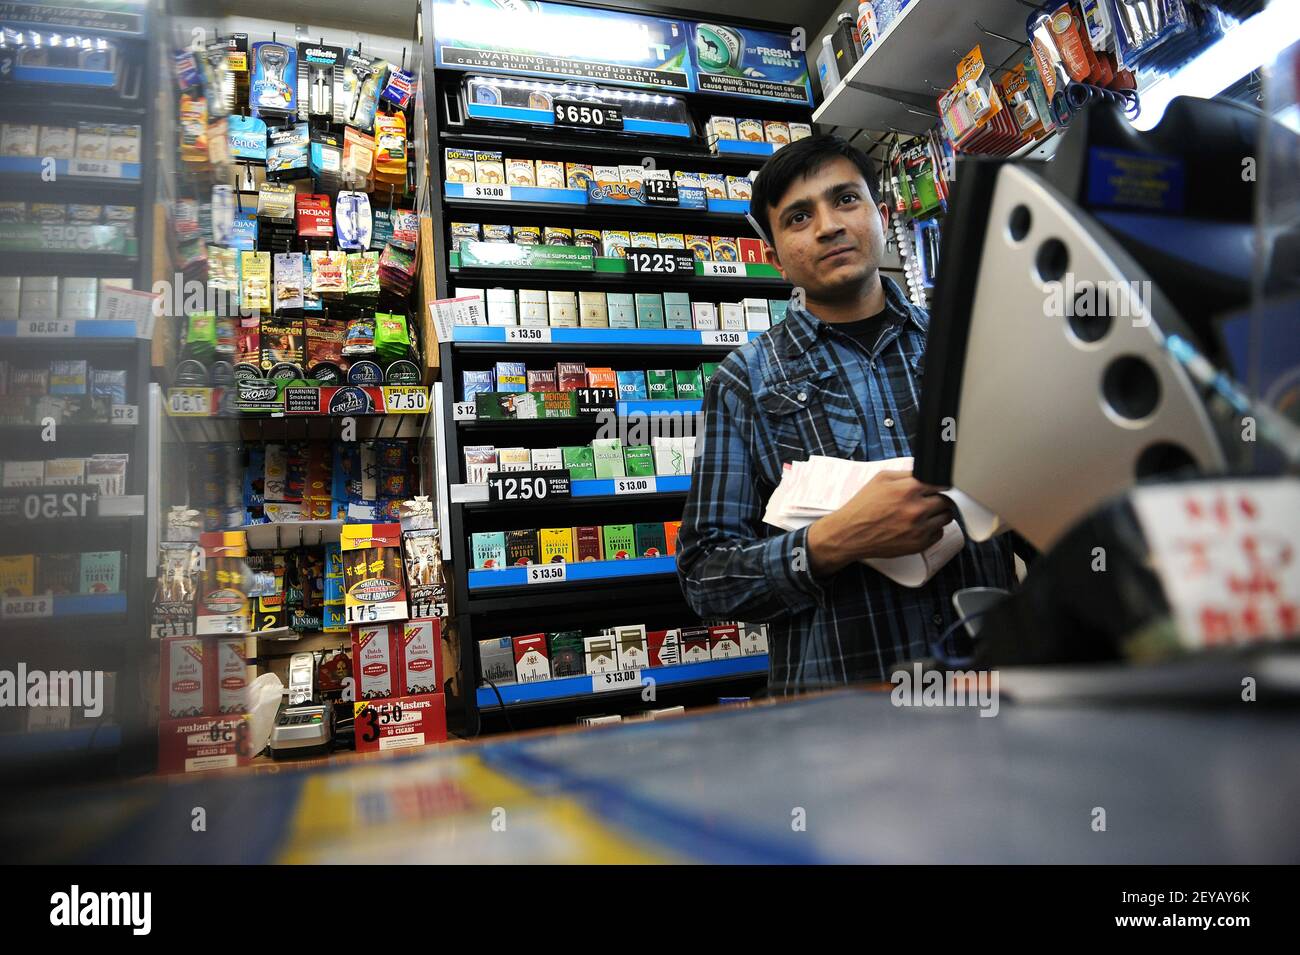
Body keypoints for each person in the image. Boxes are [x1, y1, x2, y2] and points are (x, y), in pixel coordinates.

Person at [676, 134, 1016, 693]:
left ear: (881, 216)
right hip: (842, 719)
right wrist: (836, 540)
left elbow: (1041, 514)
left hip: (995, 692)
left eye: (846, 200)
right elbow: (705, 576)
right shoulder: (744, 381)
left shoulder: (966, 347)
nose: (828, 225)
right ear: (775, 257)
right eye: (798, 217)